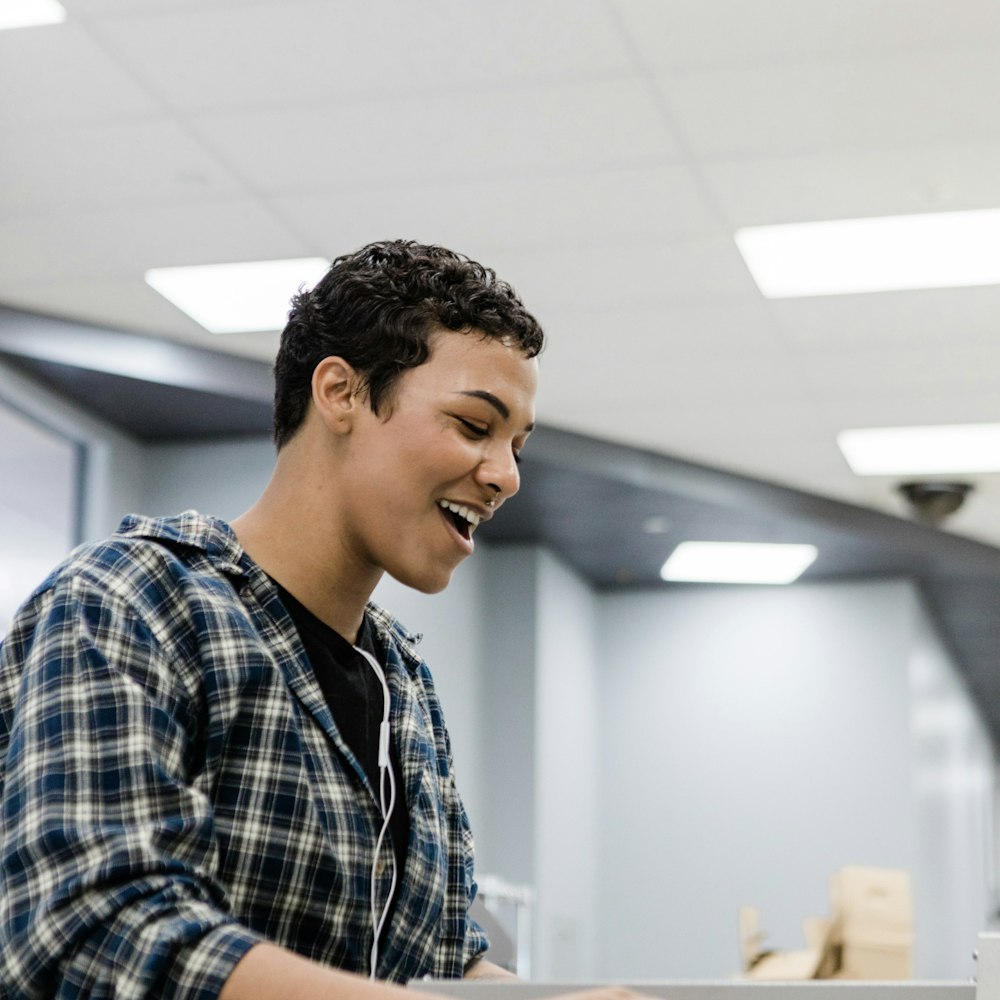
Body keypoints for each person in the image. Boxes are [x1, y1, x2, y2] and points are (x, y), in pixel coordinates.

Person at [0, 241, 645, 1000]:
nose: (506, 475)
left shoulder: (404, 684)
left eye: (516, 446)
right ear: (340, 392)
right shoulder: (131, 601)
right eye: (474, 426)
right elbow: (99, 928)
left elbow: (436, 958)